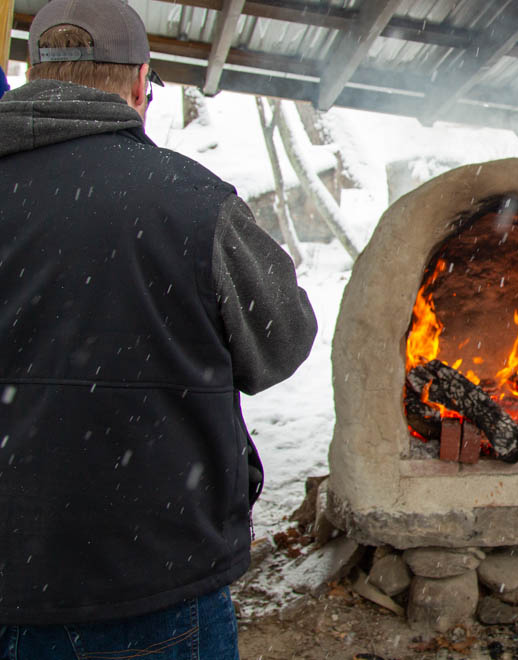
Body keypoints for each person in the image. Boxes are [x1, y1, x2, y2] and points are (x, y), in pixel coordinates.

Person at [0, 0, 317, 657]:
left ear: (31, 75)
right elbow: (281, 343)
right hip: (148, 583)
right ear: (141, 82)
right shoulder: (191, 204)